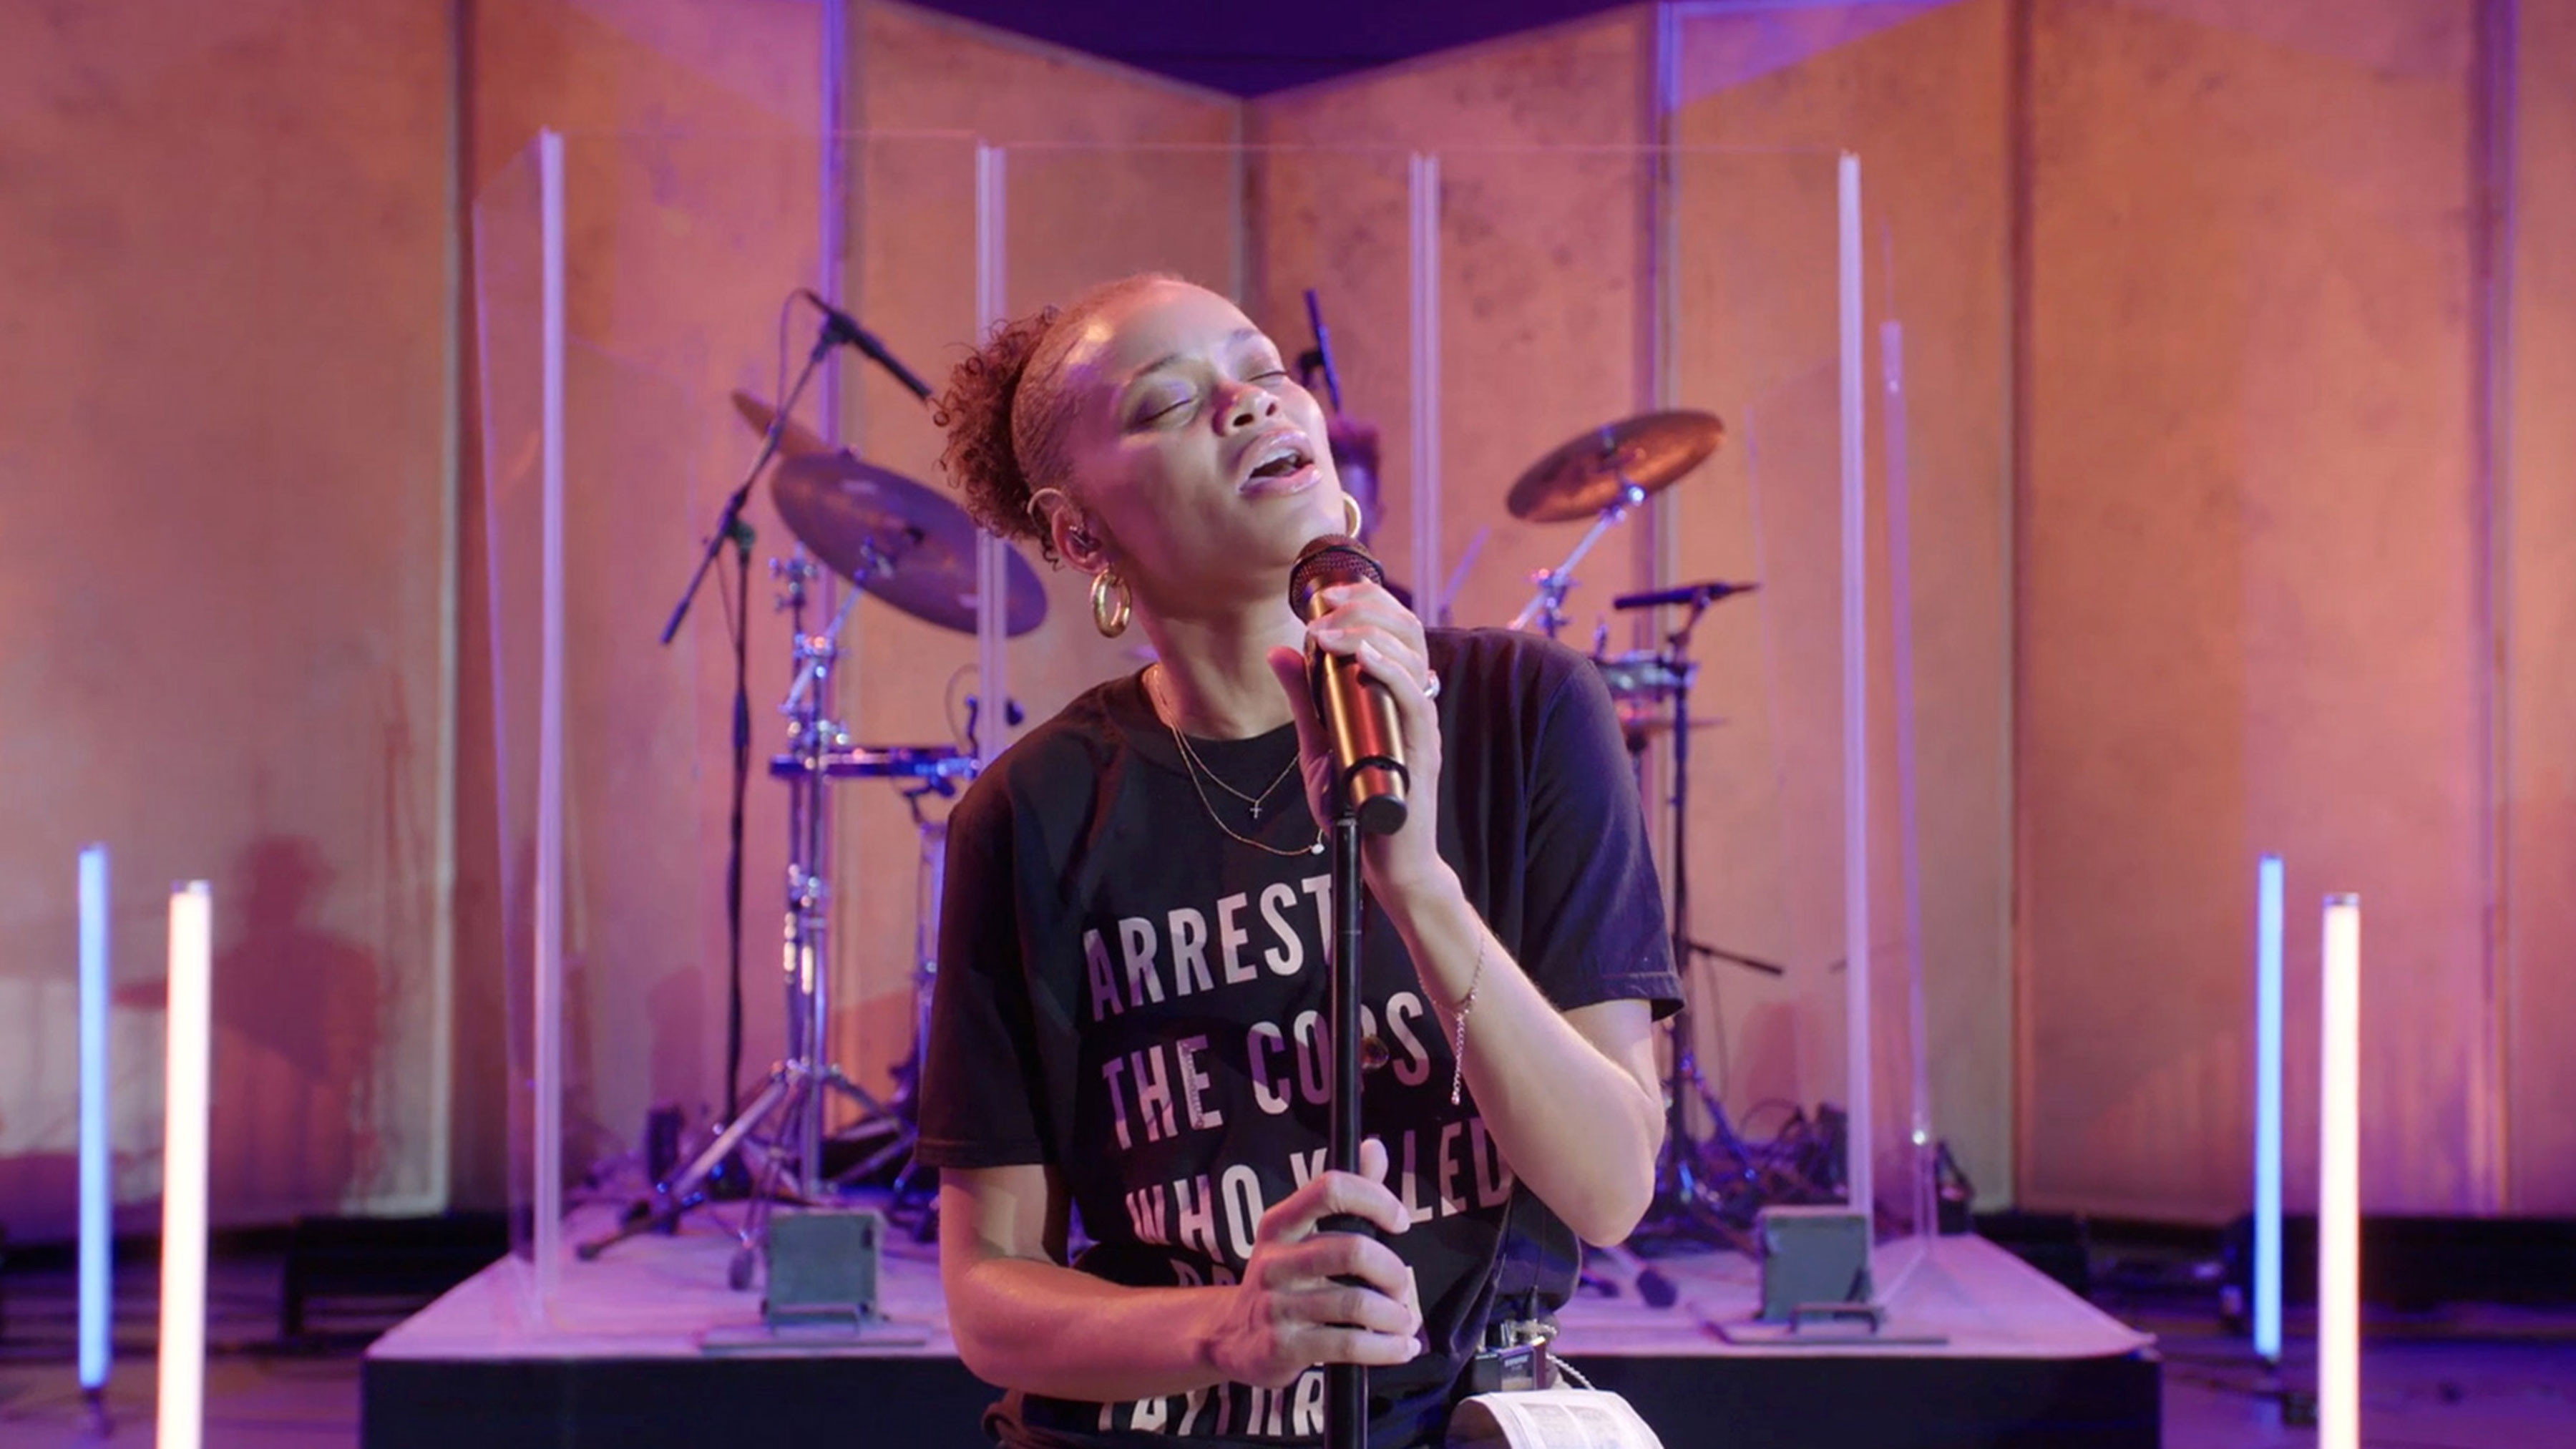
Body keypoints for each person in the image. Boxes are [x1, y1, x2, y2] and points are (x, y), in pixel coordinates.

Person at [916, 273, 1680, 1448]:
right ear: (1079, 533)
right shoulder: (1031, 811)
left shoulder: (1522, 712)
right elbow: (988, 1293)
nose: (1251, 403)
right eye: (1171, 401)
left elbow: (1611, 1184)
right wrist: (1225, 1327)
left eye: (1265, 370)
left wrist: (1416, 881)